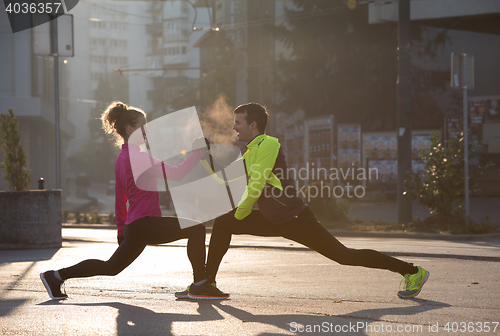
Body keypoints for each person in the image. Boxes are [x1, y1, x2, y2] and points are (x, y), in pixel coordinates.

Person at [196, 102, 429, 299]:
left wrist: (239, 214)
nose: (234, 127)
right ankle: (208, 283)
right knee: (223, 222)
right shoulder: (250, 152)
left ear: (252, 124)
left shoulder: (268, 145)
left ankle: (411, 271)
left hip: (295, 218)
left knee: (345, 256)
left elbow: (255, 186)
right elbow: (226, 178)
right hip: (273, 218)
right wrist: (204, 158)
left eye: (238, 122)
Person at [39, 101, 228, 300]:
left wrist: (122, 230)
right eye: (143, 126)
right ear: (130, 129)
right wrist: (198, 153)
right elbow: (177, 173)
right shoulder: (140, 158)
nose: (148, 130)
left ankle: (55, 276)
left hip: (135, 226)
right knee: (196, 228)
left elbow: (120, 198)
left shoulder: (122, 158)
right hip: (145, 224)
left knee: (111, 267)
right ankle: (200, 285)